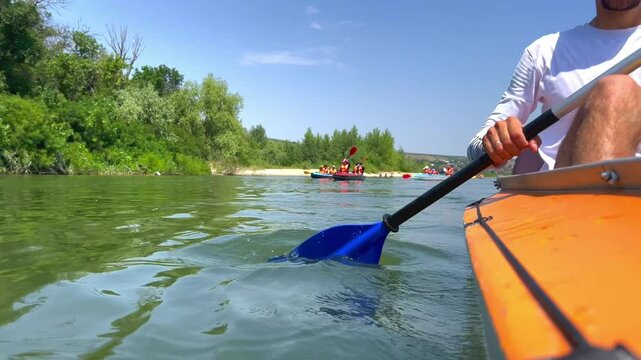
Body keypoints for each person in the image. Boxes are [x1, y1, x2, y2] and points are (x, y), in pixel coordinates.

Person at [467, 0, 641, 174]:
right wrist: (495, 144)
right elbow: (474, 150)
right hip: (559, 189)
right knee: (614, 89)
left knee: (616, 89)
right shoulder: (543, 51)